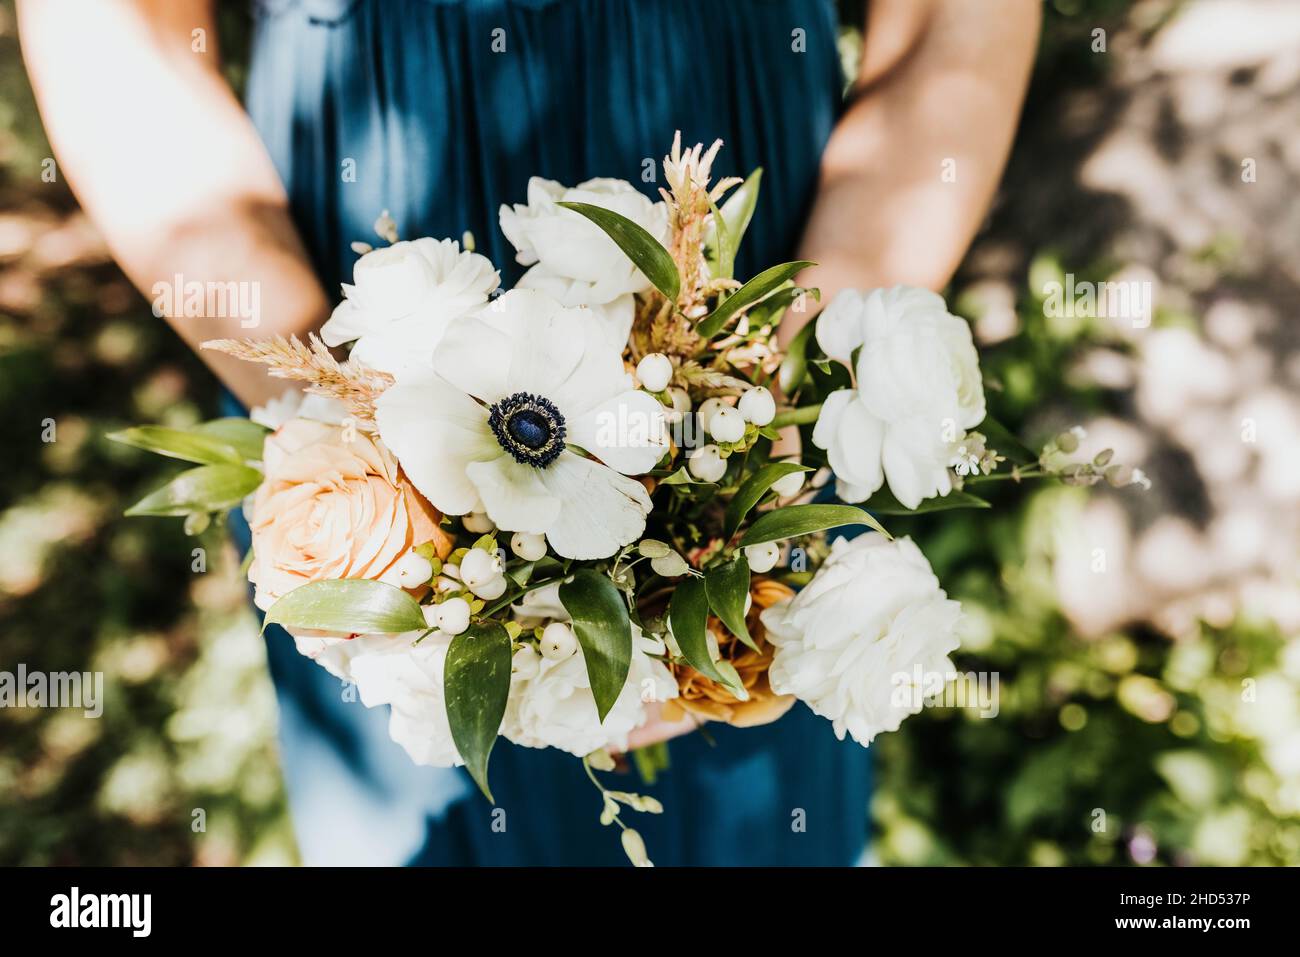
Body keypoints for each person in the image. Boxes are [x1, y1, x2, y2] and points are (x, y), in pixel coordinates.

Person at [19, 0, 1037, 865]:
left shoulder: (768, 383)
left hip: (755, 276)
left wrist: (778, 379)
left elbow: (959, 22)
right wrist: (335, 404)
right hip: (361, 285)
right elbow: (113, 32)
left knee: (755, 756)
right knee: (433, 772)